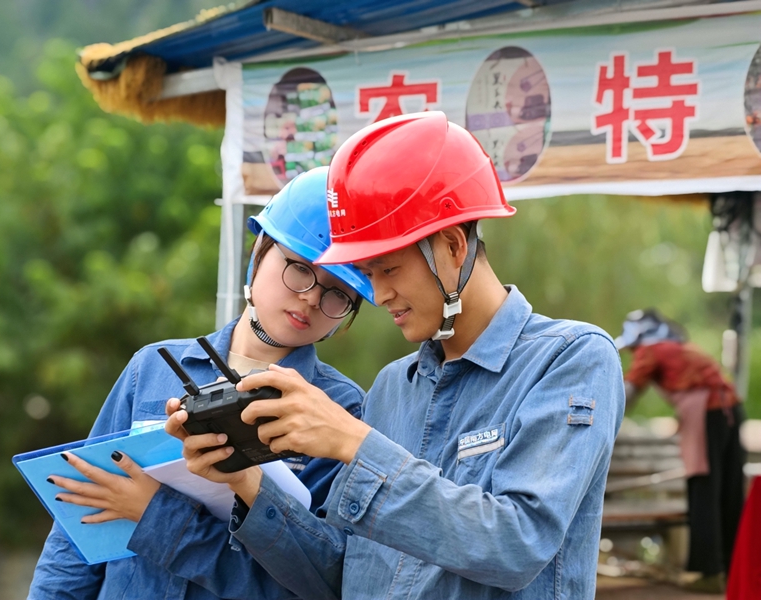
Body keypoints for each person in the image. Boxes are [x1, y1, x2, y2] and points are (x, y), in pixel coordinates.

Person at [167, 111, 625, 599]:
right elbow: (341, 577)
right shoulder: (391, 388)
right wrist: (248, 482)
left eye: (388, 269)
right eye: (367, 273)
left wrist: (356, 444)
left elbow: (517, 545)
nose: (378, 294)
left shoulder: (571, 360)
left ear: (451, 246)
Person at [28, 166, 375, 600]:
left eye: (338, 293)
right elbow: (76, 523)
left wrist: (155, 516)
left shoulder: (341, 410)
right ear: (259, 253)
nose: (310, 297)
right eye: (300, 269)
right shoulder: (151, 369)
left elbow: (314, 581)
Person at [615, 308, 746, 594]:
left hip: (706, 413)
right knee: (729, 490)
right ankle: (734, 569)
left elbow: (628, 392)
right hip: (730, 411)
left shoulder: (650, 350)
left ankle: (708, 573)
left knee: (703, 488)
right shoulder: (681, 347)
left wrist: (603, 421)